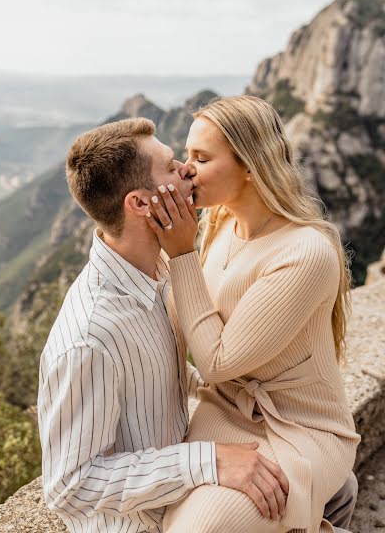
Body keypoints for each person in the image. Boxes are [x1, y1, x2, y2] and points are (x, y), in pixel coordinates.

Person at [37, 117, 289, 533]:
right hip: (142, 525)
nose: (187, 171)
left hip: (178, 497)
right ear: (139, 204)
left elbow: (152, 378)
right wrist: (209, 460)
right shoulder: (91, 336)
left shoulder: (154, 271)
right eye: (172, 167)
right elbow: (69, 484)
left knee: (335, 485)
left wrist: (223, 389)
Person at [144, 95, 361, 533]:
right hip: (221, 411)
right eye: (186, 156)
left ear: (249, 164)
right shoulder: (220, 222)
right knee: (157, 513)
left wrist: (181, 254)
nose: (186, 169)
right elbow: (183, 318)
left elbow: (219, 362)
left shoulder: (305, 253)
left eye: (201, 158)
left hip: (297, 430)